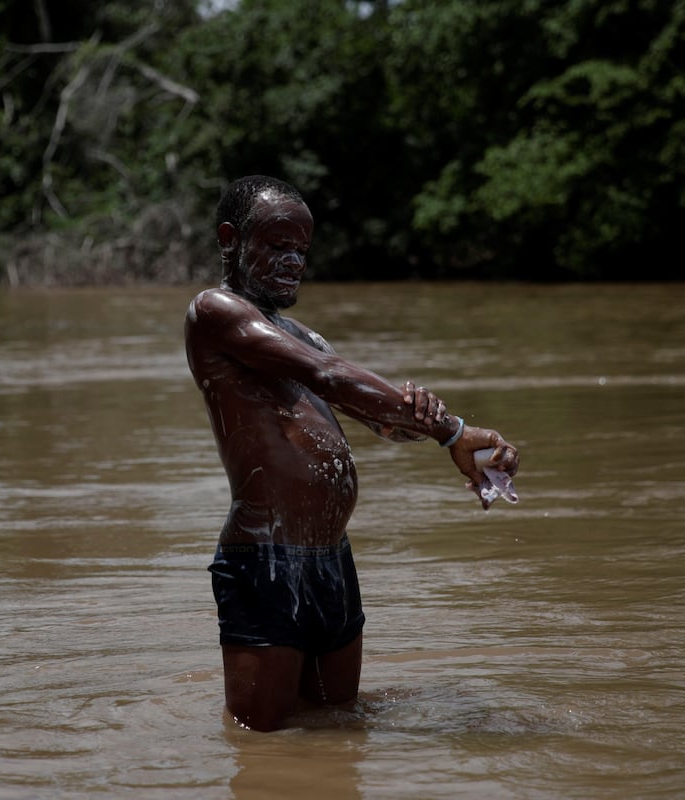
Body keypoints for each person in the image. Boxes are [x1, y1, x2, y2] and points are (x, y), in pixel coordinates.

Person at [184, 175, 520, 732]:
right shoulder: (216, 312)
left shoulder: (301, 334)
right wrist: (451, 428)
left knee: (338, 731)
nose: (293, 261)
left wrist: (465, 441)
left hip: (330, 561)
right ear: (229, 239)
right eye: (276, 245)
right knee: (263, 741)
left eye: (301, 251)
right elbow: (331, 377)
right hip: (267, 558)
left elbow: (379, 420)